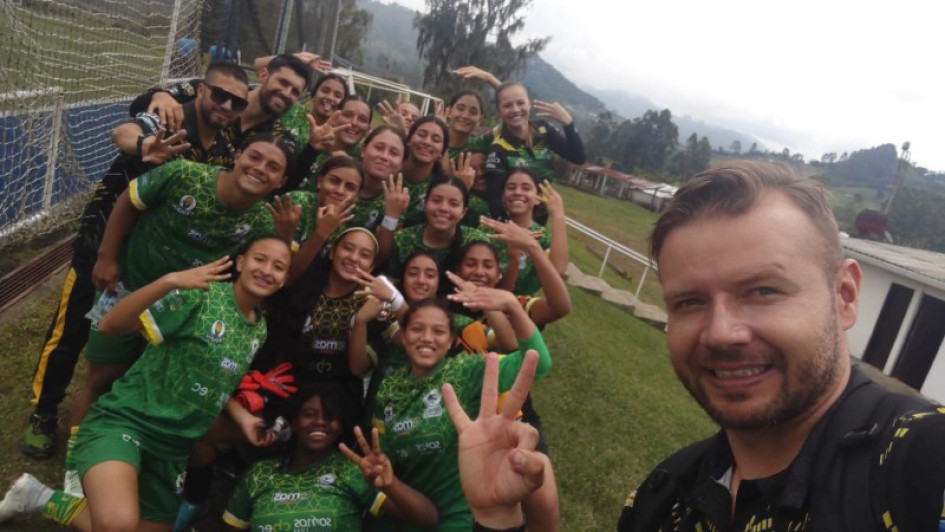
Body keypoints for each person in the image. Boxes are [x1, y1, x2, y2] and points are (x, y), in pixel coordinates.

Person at [451, 161, 945, 532]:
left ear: (844, 297)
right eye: (689, 302)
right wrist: (496, 515)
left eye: (762, 291)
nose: (720, 333)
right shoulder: (663, 498)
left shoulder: (917, 464)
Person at [20, 62, 251, 459]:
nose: (227, 105)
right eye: (220, 94)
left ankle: (108, 421)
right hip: (104, 242)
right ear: (200, 90)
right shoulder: (170, 114)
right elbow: (123, 132)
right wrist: (145, 146)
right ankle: (43, 412)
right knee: (72, 329)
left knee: (123, 341)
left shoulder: (226, 148)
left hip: (151, 260)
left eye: (237, 101)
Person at [0, 236, 292, 531]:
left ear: (284, 280)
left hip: (173, 448)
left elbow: (213, 380)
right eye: (259, 259)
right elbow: (110, 325)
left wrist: (242, 418)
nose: (267, 270)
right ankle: (49, 497)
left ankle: (37, 495)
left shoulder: (259, 329)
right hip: (128, 422)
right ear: (240, 262)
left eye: (278, 267)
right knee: (118, 525)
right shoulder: (202, 295)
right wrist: (169, 281)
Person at [64, 135, 296, 495]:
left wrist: (285, 234)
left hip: (186, 314)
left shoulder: (261, 223)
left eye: (273, 167)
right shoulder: (186, 174)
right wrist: (108, 255)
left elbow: (279, 272)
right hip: (128, 288)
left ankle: (125, 466)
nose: (260, 169)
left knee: (150, 388)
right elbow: (129, 200)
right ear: (237, 155)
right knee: (100, 379)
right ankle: (73, 474)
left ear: (281, 181)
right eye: (255, 157)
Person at [368, 294, 552, 532]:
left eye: (438, 332)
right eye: (416, 329)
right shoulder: (389, 387)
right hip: (408, 512)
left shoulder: (467, 371)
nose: (427, 338)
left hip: (462, 518)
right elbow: (384, 452)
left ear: (449, 341)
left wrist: (511, 307)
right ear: (403, 336)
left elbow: (539, 363)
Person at [222, 382, 439, 531]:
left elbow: (428, 518)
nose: (320, 422)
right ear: (293, 422)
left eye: (330, 416)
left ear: (340, 426)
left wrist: (390, 484)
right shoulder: (259, 474)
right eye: (309, 414)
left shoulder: (352, 471)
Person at [134, 53, 315, 154]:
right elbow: (135, 108)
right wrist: (158, 95)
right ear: (263, 75)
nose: (286, 93)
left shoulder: (277, 138)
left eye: (295, 91)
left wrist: (314, 149)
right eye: (283, 83)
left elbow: (284, 182)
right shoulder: (211, 89)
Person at [482, 82, 586, 220]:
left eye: (520, 103)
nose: (515, 109)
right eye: (507, 106)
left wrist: (568, 123)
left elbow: (578, 157)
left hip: (541, 222)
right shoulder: (498, 149)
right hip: (513, 224)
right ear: (498, 111)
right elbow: (495, 202)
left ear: (529, 104)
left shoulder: (543, 130)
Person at [490, 170, 568, 295]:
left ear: (538, 198)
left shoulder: (543, 238)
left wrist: (558, 215)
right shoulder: (490, 229)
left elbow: (558, 271)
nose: (517, 192)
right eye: (511, 188)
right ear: (503, 196)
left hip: (523, 309)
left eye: (526, 188)